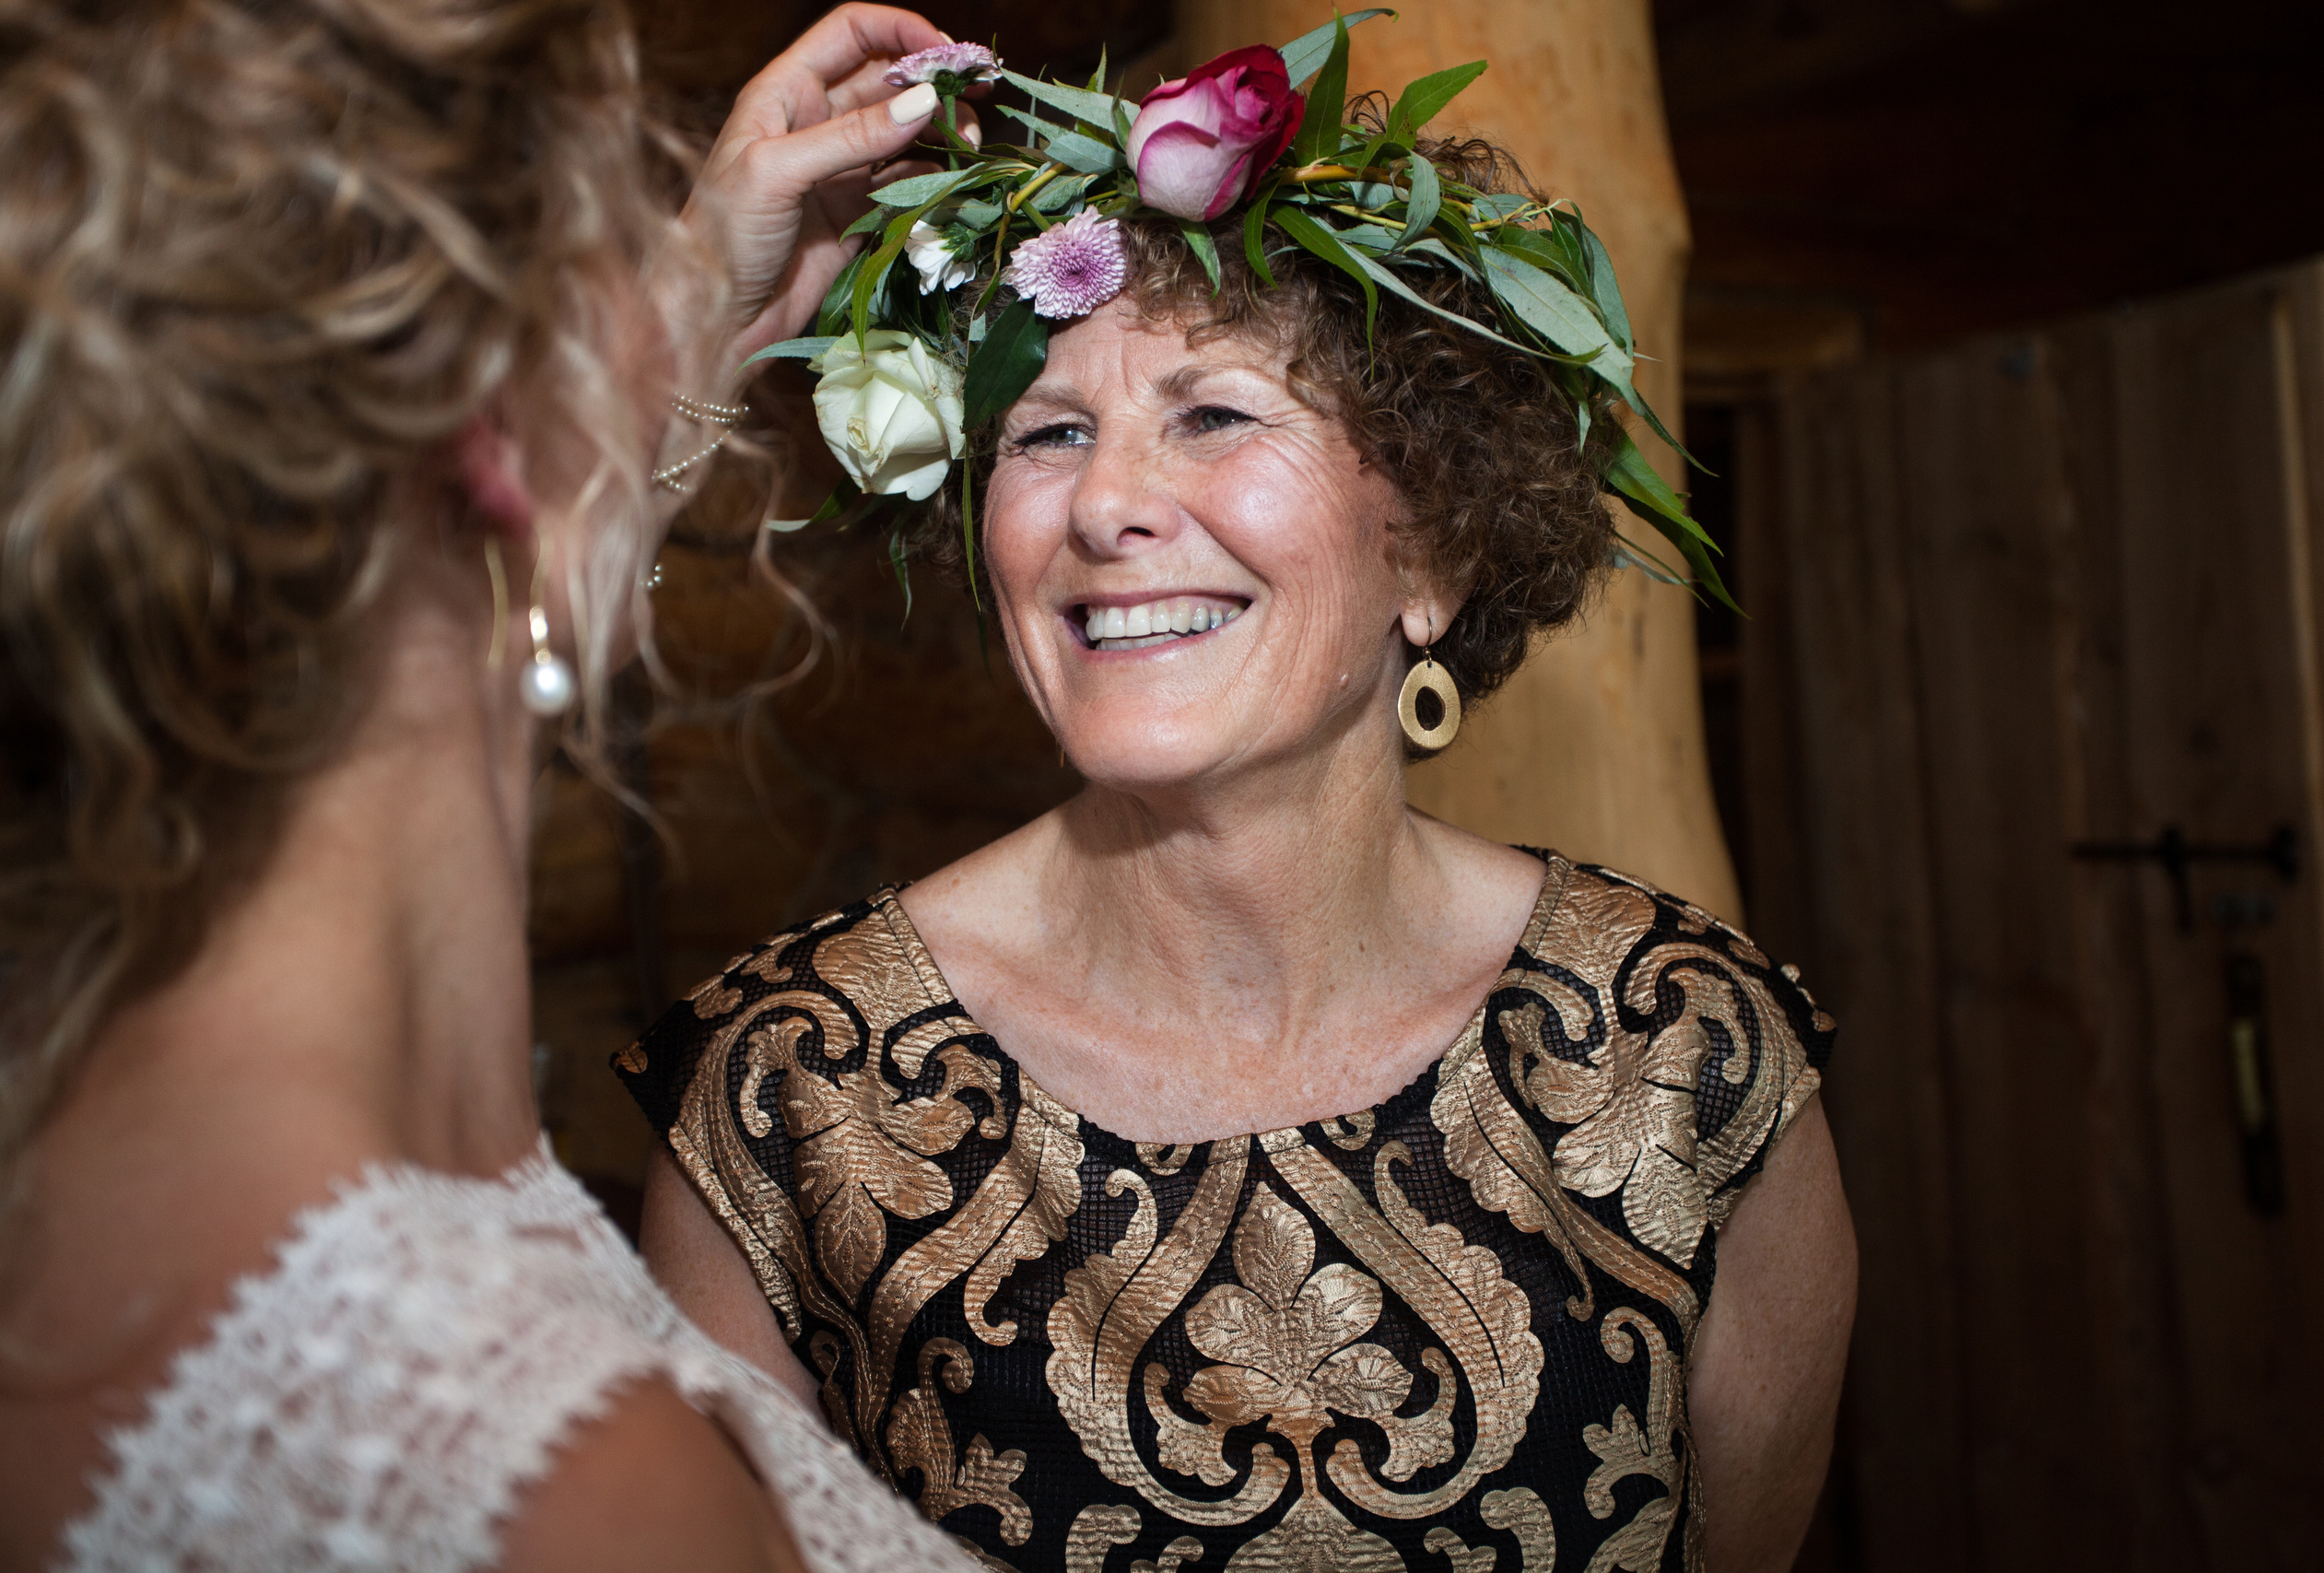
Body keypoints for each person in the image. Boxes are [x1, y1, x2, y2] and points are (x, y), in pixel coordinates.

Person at [619, 30, 1860, 1573]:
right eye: (1047, 432)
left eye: (1212, 414)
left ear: (1433, 549)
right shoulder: (786, 1100)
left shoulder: (1686, 1055)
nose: (1104, 505)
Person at [0, 3, 991, 1569]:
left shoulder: (93, 1130)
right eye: (611, 245)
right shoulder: (563, 1493)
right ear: (500, 437)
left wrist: (675, 318)